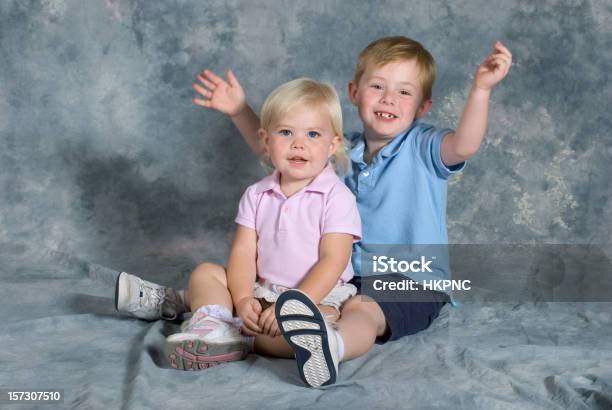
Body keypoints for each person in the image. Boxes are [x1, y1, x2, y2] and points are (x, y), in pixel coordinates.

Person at [117, 36, 512, 387]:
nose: (389, 99)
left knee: (363, 311)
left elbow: (464, 145)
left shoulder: (424, 147)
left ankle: (330, 347)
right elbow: (286, 155)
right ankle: (182, 303)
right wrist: (240, 110)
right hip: (348, 277)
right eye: (378, 87)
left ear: (423, 106)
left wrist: (481, 90)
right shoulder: (343, 151)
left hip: (410, 279)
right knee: (233, 279)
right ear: (355, 93)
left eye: (404, 92)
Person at [116, 78, 361, 386]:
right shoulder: (257, 194)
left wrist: (300, 302)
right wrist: (244, 299)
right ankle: (215, 324)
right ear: (266, 138)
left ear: (333, 144)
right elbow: (244, 253)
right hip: (263, 288)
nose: (299, 143)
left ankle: (237, 338)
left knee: (304, 330)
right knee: (207, 272)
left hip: (316, 295)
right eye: (286, 132)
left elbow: (332, 260)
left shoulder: (337, 197)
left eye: (313, 134)